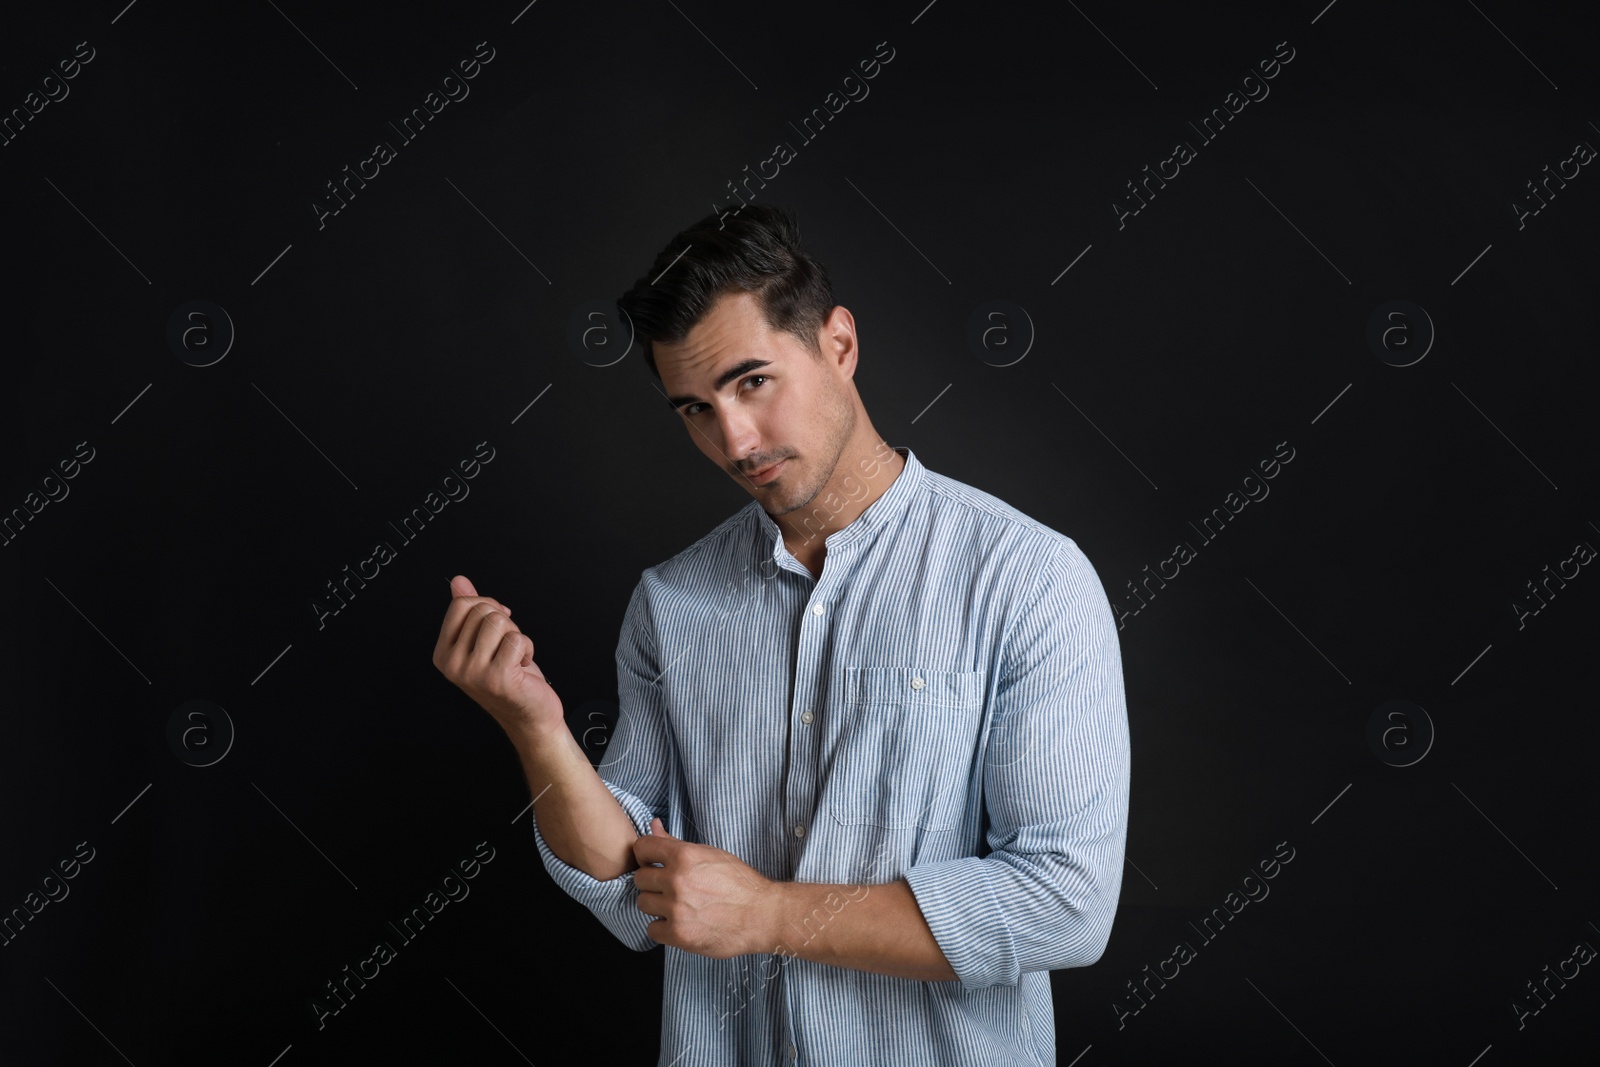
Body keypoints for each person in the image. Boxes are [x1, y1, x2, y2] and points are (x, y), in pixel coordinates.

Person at [432, 203, 1130, 1065]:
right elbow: (628, 889)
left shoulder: (1026, 577)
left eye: (752, 381)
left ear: (838, 344)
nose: (733, 439)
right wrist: (533, 728)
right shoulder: (670, 601)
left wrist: (769, 914)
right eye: (694, 408)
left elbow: (1066, 900)